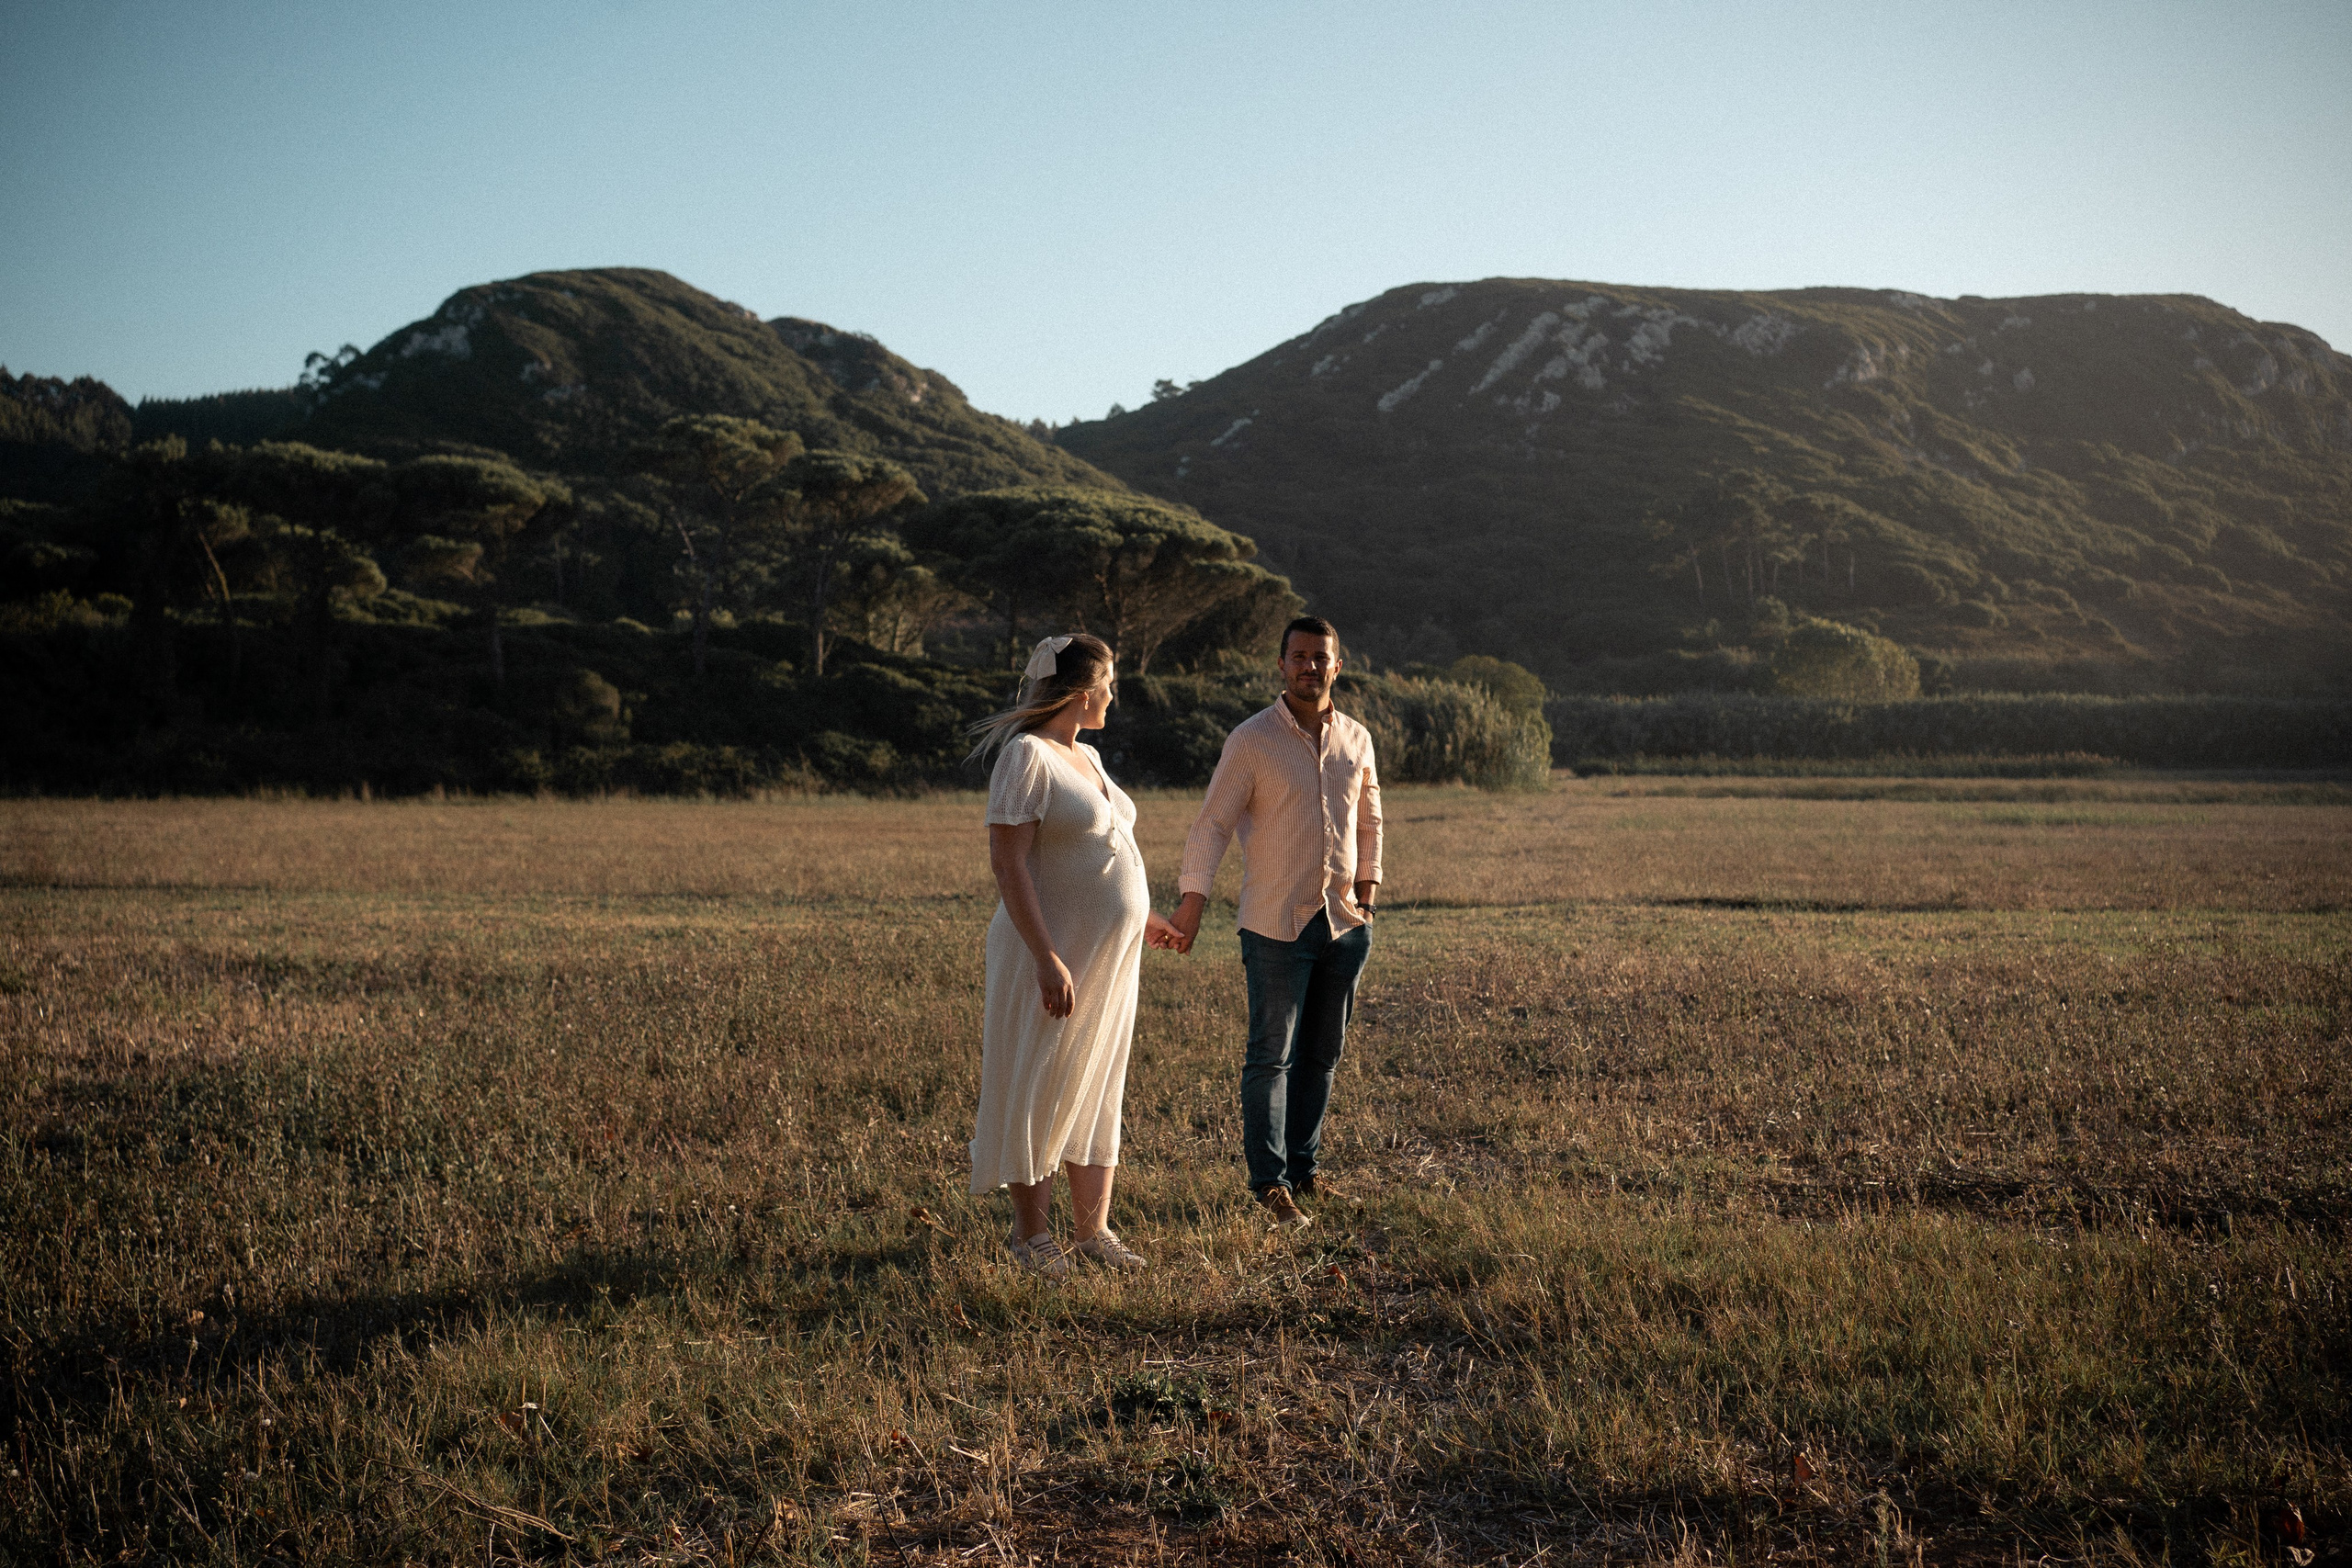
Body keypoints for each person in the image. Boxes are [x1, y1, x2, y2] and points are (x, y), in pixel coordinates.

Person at [967, 633, 1186, 1275]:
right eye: (1110, 683)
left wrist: (1144, 915)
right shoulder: (1027, 756)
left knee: (1098, 1077)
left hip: (1111, 958)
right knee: (1039, 1077)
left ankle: (1093, 1229)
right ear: (1083, 690)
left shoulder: (1086, 755)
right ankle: (1030, 1237)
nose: (1114, 695)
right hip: (1053, 953)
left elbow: (1105, 846)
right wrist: (1046, 956)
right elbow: (1008, 865)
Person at [1167, 615, 1382, 1229]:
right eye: (1299, 656)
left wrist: (1368, 891)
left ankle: (1305, 1173)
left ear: (1338, 665)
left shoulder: (1357, 738)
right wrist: (1192, 899)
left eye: (1322, 657)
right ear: (1282, 664)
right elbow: (1211, 823)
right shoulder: (1252, 739)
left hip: (1343, 924)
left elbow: (1370, 820)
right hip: (1273, 924)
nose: (1310, 666)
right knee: (1271, 1056)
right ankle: (1270, 1185)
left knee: (1321, 1055)